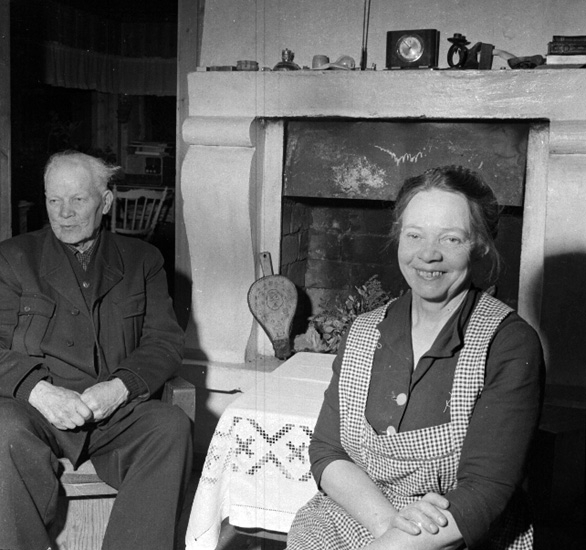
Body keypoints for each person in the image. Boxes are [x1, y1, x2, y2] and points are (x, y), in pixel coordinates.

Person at [287, 166, 545, 550]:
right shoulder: (363, 332)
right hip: (362, 515)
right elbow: (328, 450)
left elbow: (484, 492)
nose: (428, 254)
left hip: (452, 535)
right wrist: (388, 524)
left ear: (480, 245)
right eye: (414, 235)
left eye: (451, 238)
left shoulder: (508, 344)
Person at [0, 151, 192, 550]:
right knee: (3, 430)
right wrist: (38, 392)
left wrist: (120, 388)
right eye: (54, 200)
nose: (64, 213)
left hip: (112, 412)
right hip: (35, 409)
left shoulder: (143, 260)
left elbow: (164, 341)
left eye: (78, 199)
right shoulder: (13, 258)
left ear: (105, 202)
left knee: (170, 426)